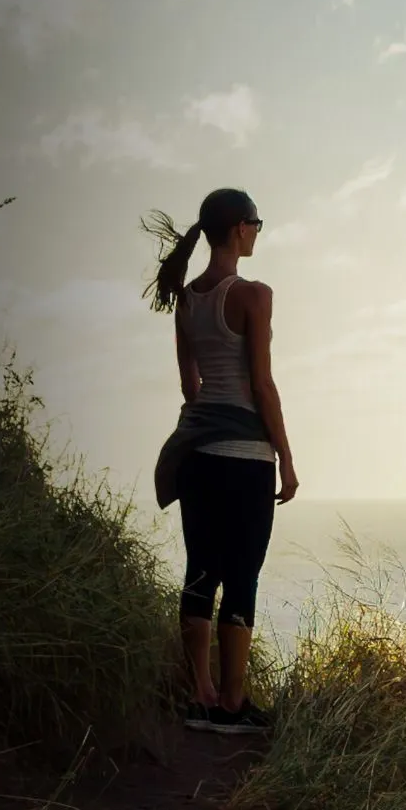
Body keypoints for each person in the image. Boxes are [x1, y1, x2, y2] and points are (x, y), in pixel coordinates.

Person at [145, 188, 297, 736]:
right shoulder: (254, 295)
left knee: (199, 573)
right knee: (242, 577)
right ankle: (233, 704)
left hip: (200, 456)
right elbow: (262, 384)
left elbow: (191, 387)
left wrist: (208, 423)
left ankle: (200, 696)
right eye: (256, 222)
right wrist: (286, 456)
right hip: (246, 460)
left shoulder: (187, 299)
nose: (258, 231)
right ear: (238, 229)